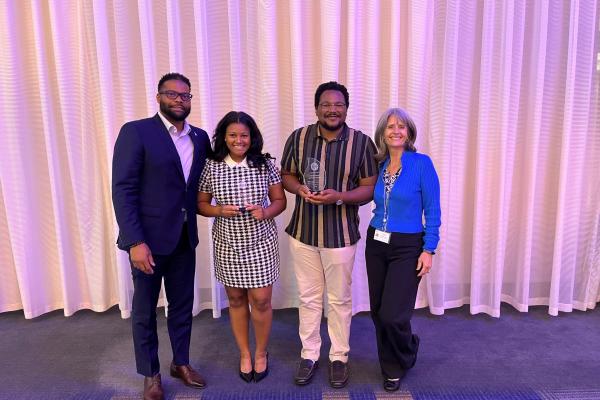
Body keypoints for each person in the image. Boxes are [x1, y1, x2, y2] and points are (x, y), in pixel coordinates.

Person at [112, 73, 211, 400]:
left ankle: (180, 363)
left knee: (182, 306)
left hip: (184, 238)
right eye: (173, 95)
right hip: (147, 242)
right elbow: (123, 190)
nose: (180, 101)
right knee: (144, 311)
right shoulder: (136, 132)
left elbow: (204, 182)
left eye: (186, 96)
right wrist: (134, 241)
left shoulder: (200, 138)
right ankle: (150, 374)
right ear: (159, 97)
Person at [280, 81, 378, 388]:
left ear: (346, 108)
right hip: (304, 233)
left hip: (340, 236)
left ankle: (339, 357)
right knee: (308, 298)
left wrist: (339, 196)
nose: (332, 109)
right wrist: (299, 189)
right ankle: (309, 354)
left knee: (338, 300)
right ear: (316, 107)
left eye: (338, 104)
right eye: (326, 104)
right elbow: (287, 175)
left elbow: (368, 188)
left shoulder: (361, 143)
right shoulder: (298, 137)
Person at [197, 111, 286, 383]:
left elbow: (280, 200)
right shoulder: (210, 166)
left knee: (260, 300)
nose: (239, 140)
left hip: (261, 242)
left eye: (244, 135)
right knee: (235, 300)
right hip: (228, 243)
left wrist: (267, 211)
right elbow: (201, 204)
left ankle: (261, 352)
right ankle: (244, 353)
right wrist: (219, 210)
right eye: (233, 135)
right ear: (224, 137)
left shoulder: (266, 164)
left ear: (252, 137)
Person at [365, 107, 441, 392]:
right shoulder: (379, 164)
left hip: (408, 246)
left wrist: (429, 249)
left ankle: (407, 349)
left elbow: (433, 209)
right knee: (378, 311)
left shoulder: (422, 163)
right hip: (377, 242)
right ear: (382, 134)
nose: (396, 131)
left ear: (409, 133)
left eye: (402, 126)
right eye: (390, 126)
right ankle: (390, 367)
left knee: (393, 315)